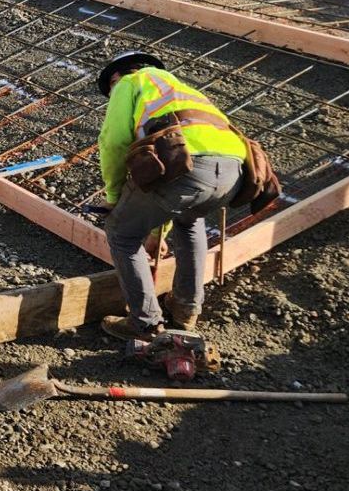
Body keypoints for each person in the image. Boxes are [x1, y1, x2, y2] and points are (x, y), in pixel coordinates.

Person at [96, 51, 246, 342]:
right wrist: (156, 234)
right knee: (189, 222)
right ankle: (186, 309)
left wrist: (114, 196)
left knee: (121, 233)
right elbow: (173, 198)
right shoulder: (182, 89)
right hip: (233, 170)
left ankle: (145, 324)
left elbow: (113, 142)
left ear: (116, 77)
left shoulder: (130, 82)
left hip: (187, 166)